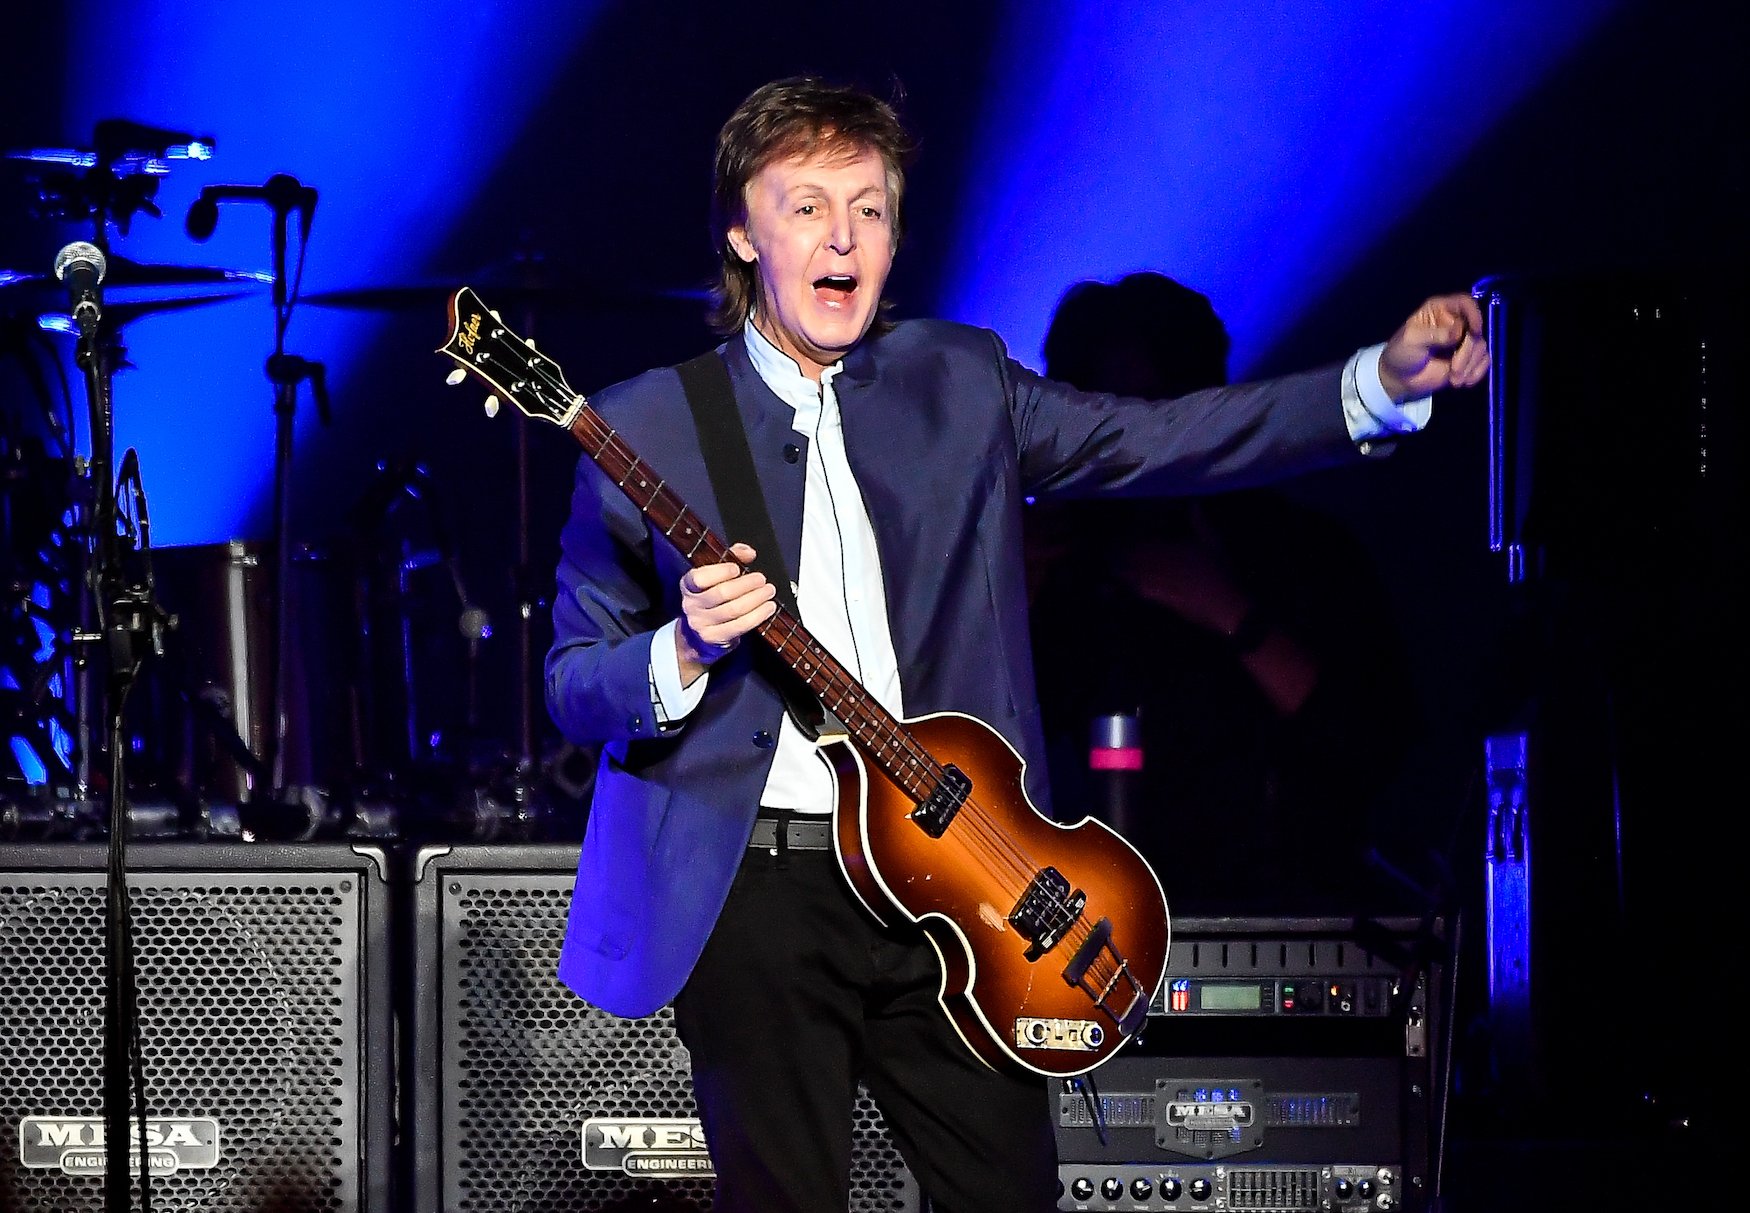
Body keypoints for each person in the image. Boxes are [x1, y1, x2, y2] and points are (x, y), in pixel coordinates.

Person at [546, 76, 1488, 1213]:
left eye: (870, 209)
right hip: (758, 885)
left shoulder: (959, 379)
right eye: (807, 207)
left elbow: (1159, 438)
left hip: (961, 876)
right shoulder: (647, 422)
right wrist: (685, 649)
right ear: (744, 235)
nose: (843, 238)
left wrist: (1374, 385)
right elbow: (574, 682)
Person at [1025, 273, 1423, 908]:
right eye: (1106, 421)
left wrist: (1229, 611)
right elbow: (988, 767)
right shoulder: (1061, 571)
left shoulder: (1301, 552)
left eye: (1156, 413)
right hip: (1092, 921)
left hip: (1287, 912)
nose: (1136, 451)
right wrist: (1016, 592)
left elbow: (1371, 748)